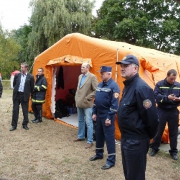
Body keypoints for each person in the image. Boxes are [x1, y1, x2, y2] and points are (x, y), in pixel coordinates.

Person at [116, 55, 159, 180]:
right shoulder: (128, 85)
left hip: (136, 141)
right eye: (121, 66)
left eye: (126, 66)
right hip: (126, 138)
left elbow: (152, 119)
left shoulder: (142, 88)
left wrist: (145, 137)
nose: (122, 68)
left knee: (135, 176)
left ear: (135, 69)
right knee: (129, 174)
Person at [89, 66, 120, 170]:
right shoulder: (100, 84)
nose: (101, 74)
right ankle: (99, 153)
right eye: (100, 73)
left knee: (109, 137)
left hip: (107, 115)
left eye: (103, 73)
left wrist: (109, 117)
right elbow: (96, 100)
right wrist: (94, 112)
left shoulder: (114, 86)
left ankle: (111, 160)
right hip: (99, 114)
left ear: (109, 74)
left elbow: (114, 104)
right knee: (99, 135)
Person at [150, 69, 180, 160]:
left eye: (174, 79)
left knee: (173, 132)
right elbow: (156, 97)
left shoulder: (178, 85)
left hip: (173, 111)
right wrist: (167, 98)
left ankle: (173, 151)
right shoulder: (160, 84)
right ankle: (155, 148)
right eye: (171, 79)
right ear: (167, 76)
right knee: (159, 130)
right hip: (162, 110)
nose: (173, 81)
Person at [74, 63, 98, 149]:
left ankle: (90, 141)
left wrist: (88, 97)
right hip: (79, 102)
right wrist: (76, 97)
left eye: (83, 67)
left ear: (88, 68)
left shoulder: (92, 77)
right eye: (81, 67)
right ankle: (81, 136)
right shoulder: (80, 76)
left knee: (89, 122)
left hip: (87, 103)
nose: (81, 68)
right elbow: (79, 88)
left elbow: (96, 90)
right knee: (80, 120)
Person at [10, 62, 34, 131]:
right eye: (21, 67)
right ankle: (14, 125)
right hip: (17, 95)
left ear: (26, 68)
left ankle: (25, 124)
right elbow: (14, 84)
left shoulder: (30, 77)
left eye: (23, 67)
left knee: (25, 111)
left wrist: (30, 95)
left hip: (24, 96)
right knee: (15, 110)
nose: (21, 68)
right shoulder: (17, 75)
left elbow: (32, 87)